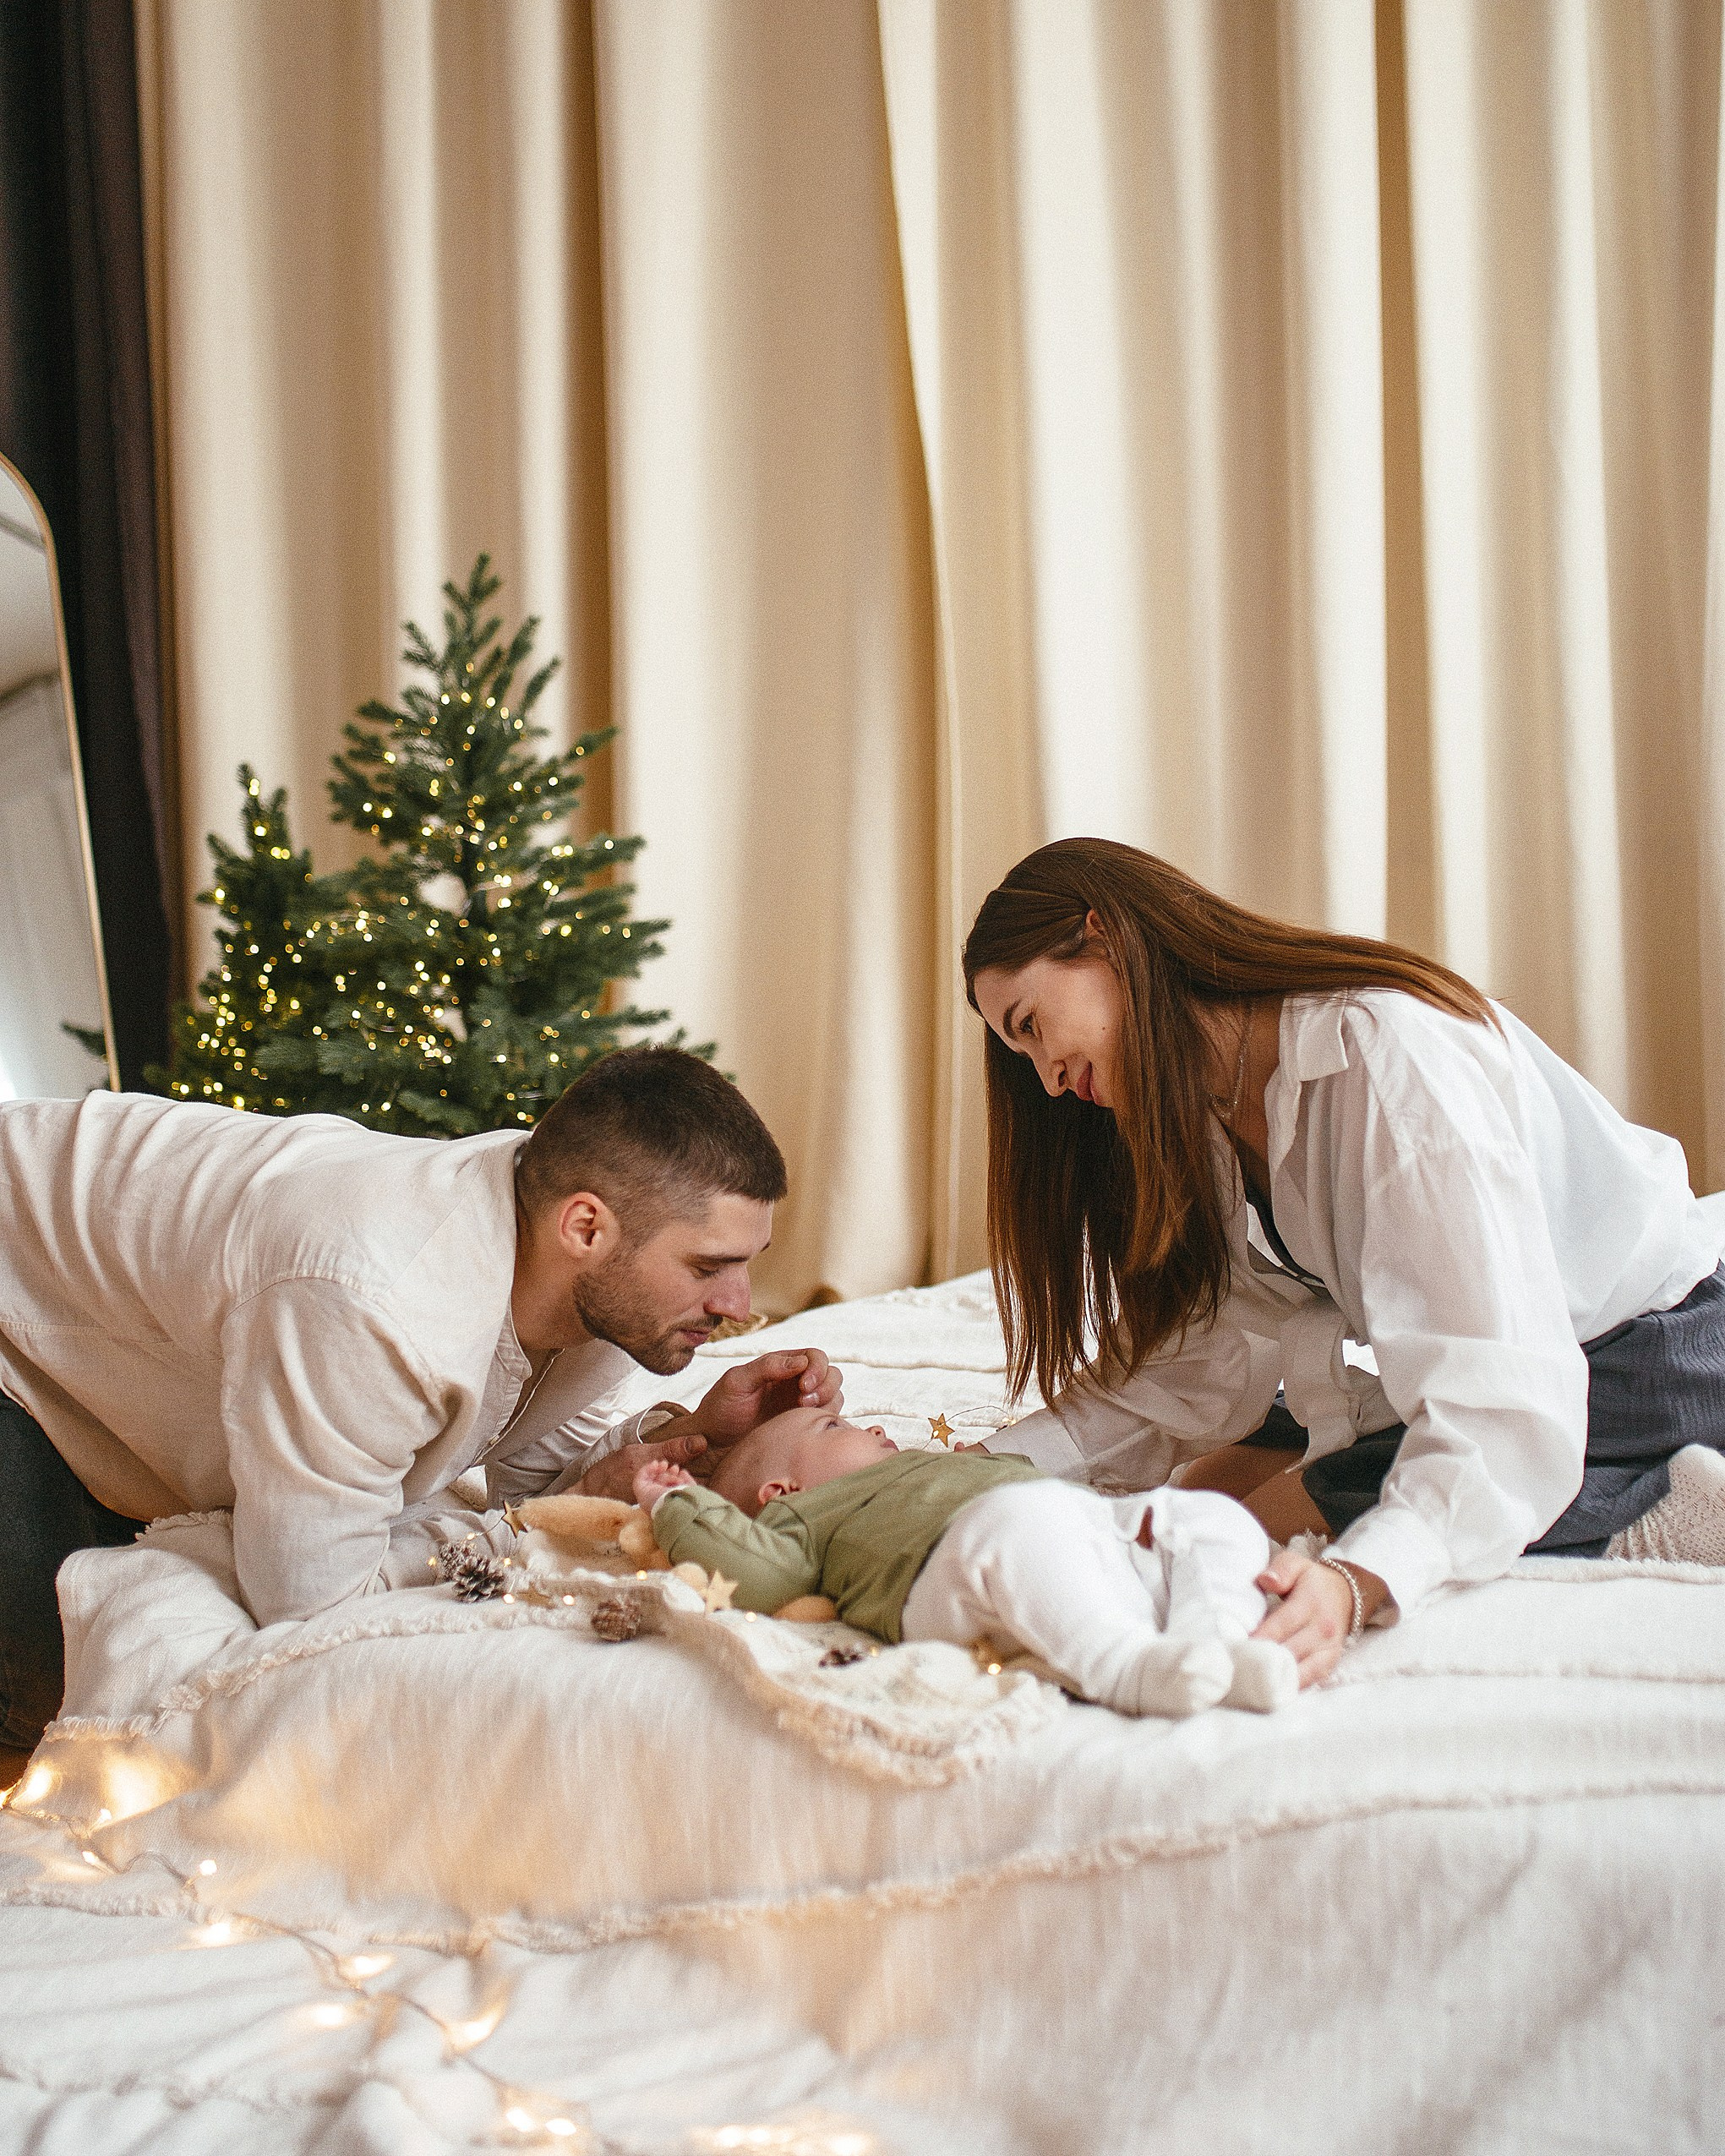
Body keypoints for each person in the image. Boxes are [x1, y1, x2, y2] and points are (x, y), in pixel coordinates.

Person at [962, 837, 1725, 1690]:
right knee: (1203, 1495)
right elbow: (1195, 1366)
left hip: (1656, 1340)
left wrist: (1355, 1584)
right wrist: (980, 1473)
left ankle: (1656, 1499)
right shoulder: (1209, 1107)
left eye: (1030, 1027)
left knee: (1278, 1526)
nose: (1048, 1079)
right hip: (1527, 1344)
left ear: (1099, 937)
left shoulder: (1383, 1058)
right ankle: (1596, 1485)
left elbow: (1503, 1399)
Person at [0, 1045, 840, 1749]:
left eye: (746, 1261)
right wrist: (516, 1530)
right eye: (707, 1267)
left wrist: (700, 1430)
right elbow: (312, 1614)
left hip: (124, 1301)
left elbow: (543, 1484)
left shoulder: (582, 1274)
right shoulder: (377, 1303)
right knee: (61, 1700)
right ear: (584, 1228)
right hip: (14, 1293)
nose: (740, 1305)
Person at [634, 1405, 1298, 1716]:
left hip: (1082, 1534)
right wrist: (678, 1505)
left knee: (1207, 1515)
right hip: (950, 1576)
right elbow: (756, 1574)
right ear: (781, 1492)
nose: (867, 1426)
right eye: (833, 1429)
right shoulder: (805, 1519)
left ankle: (1215, 1642)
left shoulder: (938, 1464)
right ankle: (1125, 1668)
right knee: (1013, 1523)